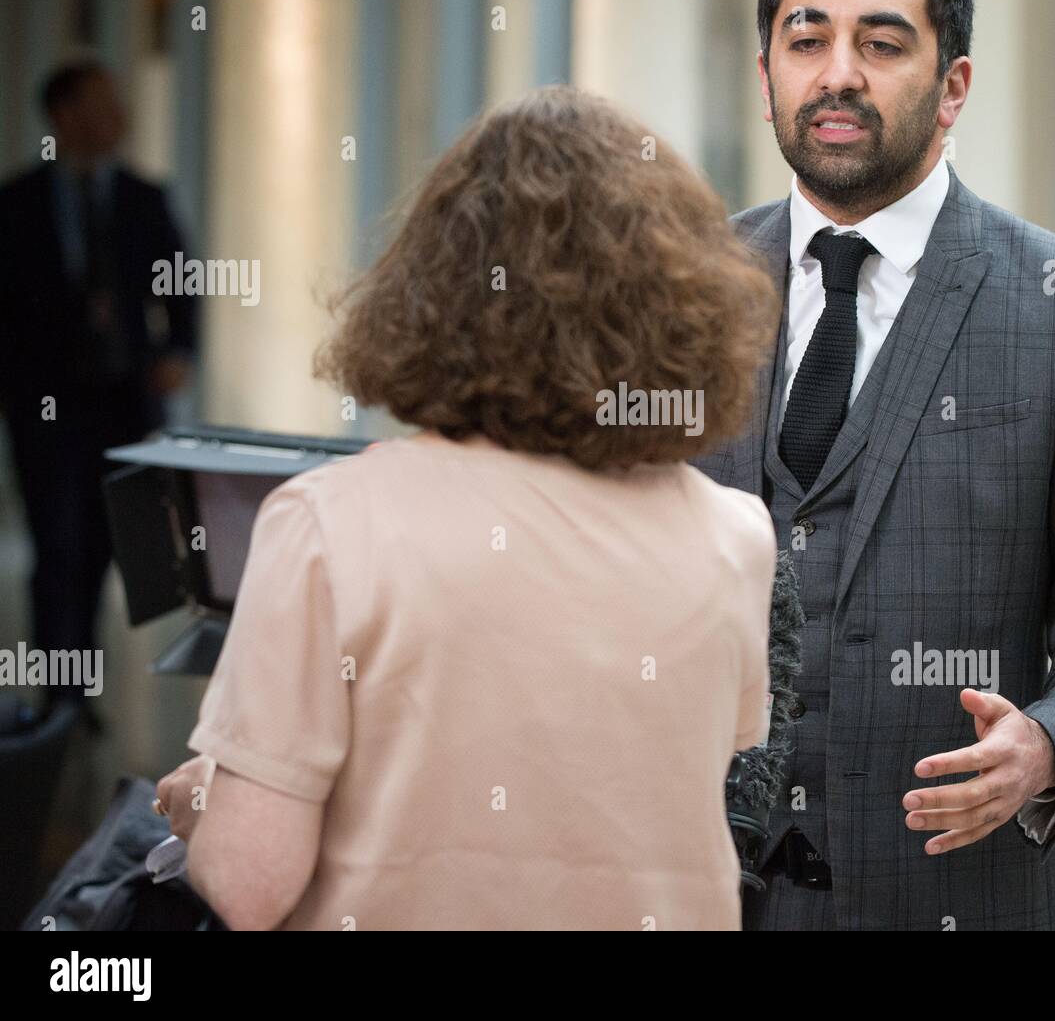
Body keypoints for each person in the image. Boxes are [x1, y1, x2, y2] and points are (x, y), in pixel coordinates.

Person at [155, 85, 782, 930]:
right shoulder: (735, 538)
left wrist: (208, 800)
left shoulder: (329, 524)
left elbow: (249, 881)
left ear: (431, 292)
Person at [689, 0, 1055, 929]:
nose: (837, 74)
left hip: (951, 893)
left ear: (952, 84)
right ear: (765, 69)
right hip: (702, 893)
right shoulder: (685, 290)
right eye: (805, 37)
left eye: (881, 41)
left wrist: (1046, 743)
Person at [0, 61, 198, 723]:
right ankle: (62, 693)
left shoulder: (143, 197)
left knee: (108, 542)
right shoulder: (19, 203)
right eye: (99, 105)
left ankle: (80, 680)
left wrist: (177, 350)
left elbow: (181, 280)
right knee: (55, 541)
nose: (118, 118)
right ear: (62, 117)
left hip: (124, 400)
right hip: (47, 404)